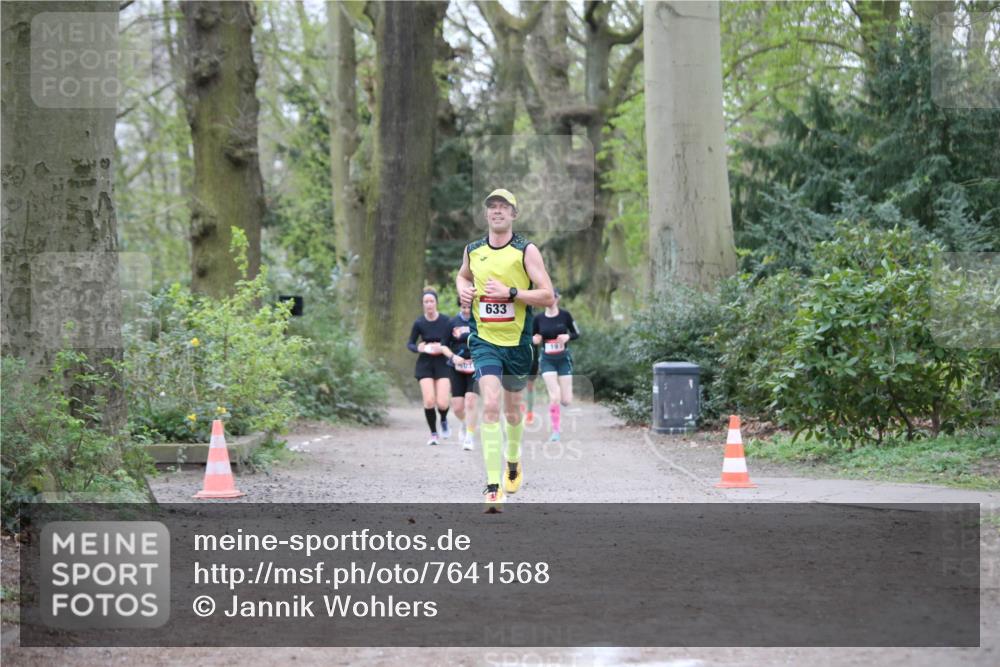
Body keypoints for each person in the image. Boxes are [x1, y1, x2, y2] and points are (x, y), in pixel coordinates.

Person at [457, 188, 555, 512]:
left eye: (504, 207)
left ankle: (513, 461)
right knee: (491, 405)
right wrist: (465, 293)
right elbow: (462, 277)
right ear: (486, 214)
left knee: (513, 411)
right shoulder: (472, 251)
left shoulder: (525, 251)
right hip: (484, 340)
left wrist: (511, 292)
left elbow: (547, 296)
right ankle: (492, 485)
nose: (497, 211)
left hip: (518, 344)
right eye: (492, 207)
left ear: (513, 214)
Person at [406, 288, 455, 445]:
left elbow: (453, 342)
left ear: (436, 303)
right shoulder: (419, 322)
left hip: (443, 363)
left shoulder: (447, 321)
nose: (429, 304)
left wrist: (443, 347)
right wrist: (419, 348)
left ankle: (444, 419)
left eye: (431, 301)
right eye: (426, 302)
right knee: (429, 401)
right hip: (425, 364)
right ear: (423, 304)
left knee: (442, 402)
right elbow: (410, 344)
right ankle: (433, 434)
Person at [532, 289, 580, 442]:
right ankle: (556, 430)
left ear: (557, 299)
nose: (549, 300)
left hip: (563, 359)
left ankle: (563, 401)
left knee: (566, 400)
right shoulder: (538, 319)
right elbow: (532, 338)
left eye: (552, 297)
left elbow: (576, 333)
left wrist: (568, 336)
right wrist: (535, 339)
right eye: (546, 298)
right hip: (547, 360)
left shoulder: (565, 315)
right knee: (555, 396)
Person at [447, 297, 478, 451]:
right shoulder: (452, 323)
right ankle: (465, 423)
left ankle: (470, 437)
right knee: (458, 408)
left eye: (469, 307)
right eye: (464, 307)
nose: (466, 310)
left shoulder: (479, 322)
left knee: (470, 401)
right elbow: (443, 346)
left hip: (474, 366)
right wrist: (453, 356)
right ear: (460, 306)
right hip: (457, 367)